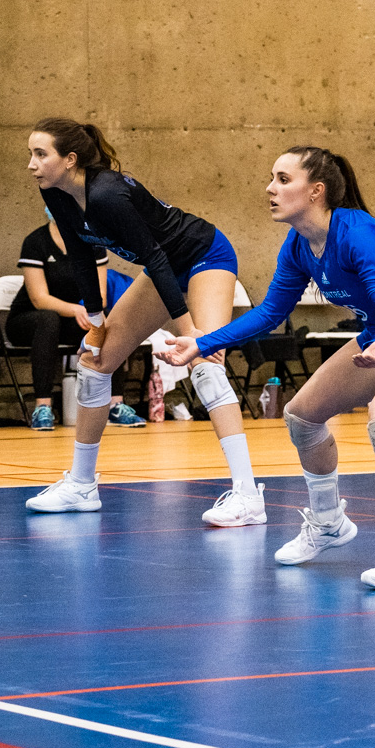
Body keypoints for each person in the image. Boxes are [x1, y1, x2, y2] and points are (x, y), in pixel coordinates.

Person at [162, 147, 375, 590]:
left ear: (316, 191)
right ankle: (329, 524)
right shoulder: (298, 245)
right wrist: (201, 344)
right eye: (272, 178)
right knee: (302, 416)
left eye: (284, 179)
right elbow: (270, 312)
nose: (271, 188)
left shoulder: (358, 233)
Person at [22, 118, 263, 526]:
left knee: (203, 361)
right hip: (164, 268)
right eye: (30, 153)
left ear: (70, 159)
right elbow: (82, 256)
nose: (31, 163)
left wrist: (190, 333)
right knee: (95, 363)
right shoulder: (56, 191)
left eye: (40, 154)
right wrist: (96, 321)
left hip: (205, 256)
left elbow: (155, 258)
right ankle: (81, 485)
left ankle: (247, 494)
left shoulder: (107, 195)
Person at [8, 206, 141, 430]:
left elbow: (100, 296)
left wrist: (85, 312)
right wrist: (75, 310)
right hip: (29, 319)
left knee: (107, 322)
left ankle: (115, 404)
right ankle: (43, 407)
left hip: (71, 319)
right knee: (48, 319)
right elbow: (39, 299)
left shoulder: (93, 242)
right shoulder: (35, 241)